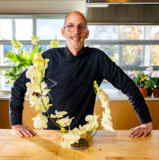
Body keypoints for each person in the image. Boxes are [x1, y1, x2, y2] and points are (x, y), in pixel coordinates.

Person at [10, 11, 152, 138]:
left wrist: (146, 122)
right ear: (63, 31)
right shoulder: (48, 58)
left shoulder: (98, 59)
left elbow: (128, 86)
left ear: (87, 33)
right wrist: (16, 123)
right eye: (70, 26)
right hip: (50, 134)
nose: (75, 31)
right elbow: (18, 86)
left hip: (83, 135)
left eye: (81, 27)